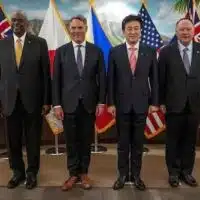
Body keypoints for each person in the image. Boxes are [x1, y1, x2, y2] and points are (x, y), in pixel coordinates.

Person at [52, 15, 106, 191]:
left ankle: (84, 173)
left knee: (85, 140)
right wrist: (57, 104)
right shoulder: (62, 51)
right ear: (69, 30)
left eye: (80, 27)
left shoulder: (96, 51)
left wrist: (101, 102)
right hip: (67, 105)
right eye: (73, 28)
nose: (76, 31)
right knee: (71, 141)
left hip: (89, 104)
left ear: (85, 29)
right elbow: (56, 80)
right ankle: (73, 174)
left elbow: (102, 79)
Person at [0, 10, 51, 189]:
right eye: (13, 20)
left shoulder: (39, 43)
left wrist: (46, 101)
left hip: (33, 102)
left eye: (20, 20)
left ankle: (31, 173)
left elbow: (46, 75)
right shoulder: (2, 44)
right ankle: (17, 172)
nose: (16, 23)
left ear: (26, 23)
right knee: (12, 140)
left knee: (33, 140)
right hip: (9, 101)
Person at [107, 15, 159, 191]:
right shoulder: (115, 51)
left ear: (141, 30)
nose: (133, 31)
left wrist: (155, 102)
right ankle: (122, 175)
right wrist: (111, 103)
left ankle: (136, 176)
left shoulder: (150, 51)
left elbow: (155, 79)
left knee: (138, 144)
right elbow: (110, 80)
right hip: (121, 105)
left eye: (136, 28)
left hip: (142, 104)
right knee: (122, 144)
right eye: (129, 28)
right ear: (123, 31)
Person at [158, 18, 199, 187]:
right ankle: (173, 173)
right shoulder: (166, 52)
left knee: (190, 142)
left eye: (188, 29)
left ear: (193, 31)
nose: (185, 32)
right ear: (176, 32)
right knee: (173, 141)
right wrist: (160, 101)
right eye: (182, 30)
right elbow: (161, 79)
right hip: (173, 104)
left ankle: (186, 172)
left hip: (195, 104)